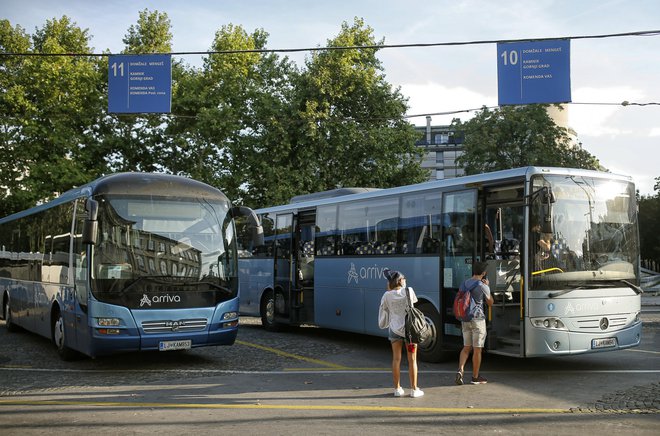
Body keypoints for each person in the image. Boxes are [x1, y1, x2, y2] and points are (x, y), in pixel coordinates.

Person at [378, 269, 424, 398]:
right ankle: (414, 389)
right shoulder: (409, 291)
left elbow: (384, 310)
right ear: (400, 280)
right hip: (410, 331)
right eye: (403, 278)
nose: (405, 280)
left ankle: (397, 389)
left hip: (394, 329)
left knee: (396, 359)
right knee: (412, 360)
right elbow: (413, 305)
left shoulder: (386, 295)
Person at [455, 261, 494, 385]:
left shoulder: (464, 283)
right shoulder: (482, 285)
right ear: (484, 273)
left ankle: (460, 370)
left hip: (465, 319)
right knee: (477, 350)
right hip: (478, 319)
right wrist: (488, 287)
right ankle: (475, 378)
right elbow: (490, 303)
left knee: (466, 347)